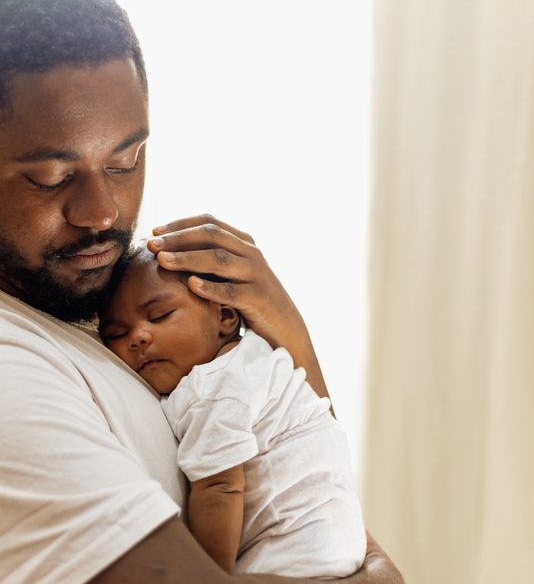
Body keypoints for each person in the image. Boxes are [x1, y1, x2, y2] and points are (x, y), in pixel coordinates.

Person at [0, 0, 404, 582]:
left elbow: (298, 492)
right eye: (50, 177)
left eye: (125, 161)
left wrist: (288, 339)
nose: (102, 213)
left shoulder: (98, 304)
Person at [98, 247, 366, 578]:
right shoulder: (255, 356)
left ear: (225, 316)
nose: (138, 337)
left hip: (293, 550)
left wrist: (210, 575)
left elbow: (220, 486)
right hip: (339, 538)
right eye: (116, 334)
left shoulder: (212, 388)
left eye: (159, 316)